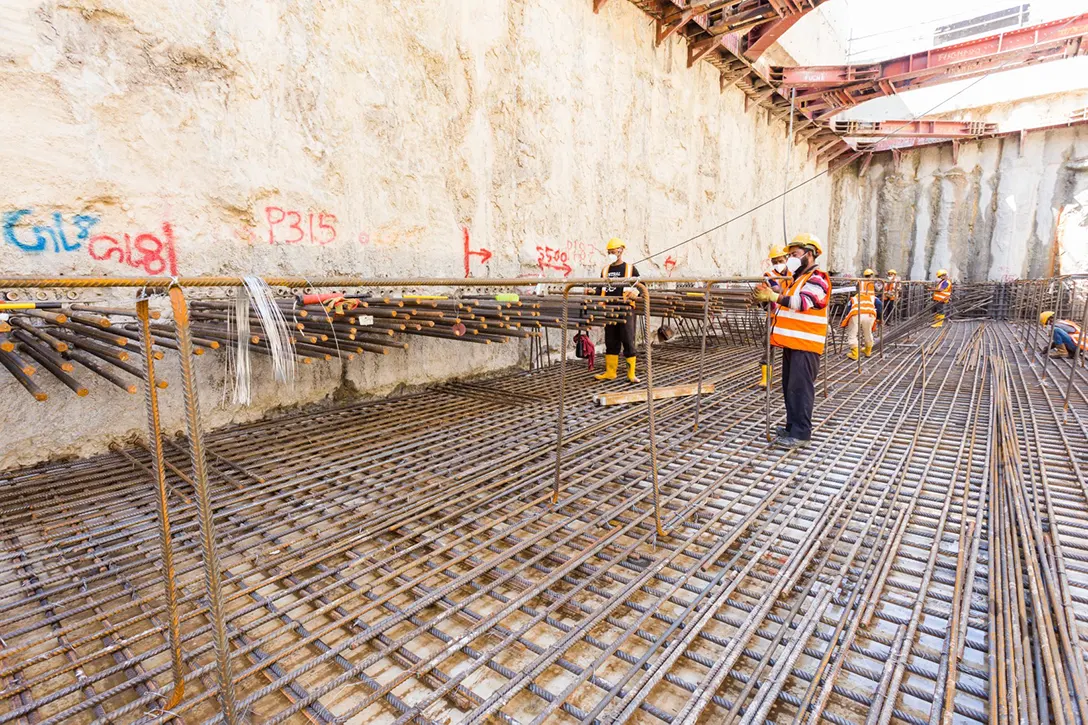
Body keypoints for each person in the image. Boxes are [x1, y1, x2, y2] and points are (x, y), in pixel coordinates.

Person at [753, 233, 830, 449]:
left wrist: (774, 296)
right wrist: (768, 293)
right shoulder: (796, 280)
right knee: (790, 387)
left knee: (801, 389)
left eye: (795, 254)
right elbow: (783, 299)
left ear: (810, 254)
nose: (791, 259)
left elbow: (803, 302)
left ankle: (801, 434)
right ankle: (791, 427)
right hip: (792, 343)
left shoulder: (818, 278)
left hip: (806, 345)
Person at [594, 238, 640, 382]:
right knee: (611, 340)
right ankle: (610, 372)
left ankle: (631, 373)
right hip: (609, 309)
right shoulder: (605, 270)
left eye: (613, 251)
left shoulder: (630, 269)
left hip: (626, 310)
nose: (611, 254)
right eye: (609, 252)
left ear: (621, 251)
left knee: (628, 339)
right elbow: (599, 289)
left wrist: (635, 293)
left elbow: (641, 286)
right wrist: (592, 292)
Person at [757, 245, 791, 389]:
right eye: (775, 261)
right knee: (768, 345)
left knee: (791, 347)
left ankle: (791, 377)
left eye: (781, 260)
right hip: (774, 314)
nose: (778, 263)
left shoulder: (795, 273)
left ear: (787, 258)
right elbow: (776, 290)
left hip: (791, 315)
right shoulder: (769, 275)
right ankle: (766, 378)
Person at [841, 290, 876, 360]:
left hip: (856, 314)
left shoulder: (854, 298)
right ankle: (868, 351)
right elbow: (880, 305)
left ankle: (855, 354)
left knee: (852, 334)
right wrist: (879, 318)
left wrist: (846, 320)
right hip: (869, 315)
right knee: (868, 333)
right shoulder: (872, 298)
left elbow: (848, 309)